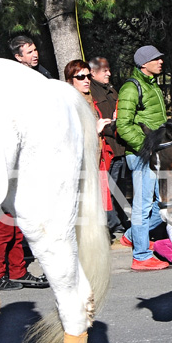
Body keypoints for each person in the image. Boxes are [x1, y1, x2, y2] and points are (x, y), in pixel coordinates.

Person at [116, 45, 169, 270]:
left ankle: (131, 236)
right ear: (143, 64)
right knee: (143, 206)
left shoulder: (152, 86)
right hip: (141, 155)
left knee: (164, 205)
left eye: (160, 58)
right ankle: (141, 255)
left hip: (156, 153)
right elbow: (123, 125)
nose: (161, 62)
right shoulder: (131, 88)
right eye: (155, 59)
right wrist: (145, 147)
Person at [66, 59, 115, 224]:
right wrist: (95, 129)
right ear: (70, 79)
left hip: (97, 159)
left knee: (97, 203)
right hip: (80, 163)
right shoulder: (70, 101)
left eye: (88, 76)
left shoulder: (89, 99)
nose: (86, 80)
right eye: (80, 77)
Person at [90, 56, 129, 233]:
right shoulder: (92, 92)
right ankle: (112, 223)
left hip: (120, 146)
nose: (109, 73)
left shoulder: (112, 89)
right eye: (104, 70)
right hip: (108, 148)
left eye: (109, 69)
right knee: (108, 188)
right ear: (93, 72)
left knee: (119, 186)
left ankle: (121, 219)